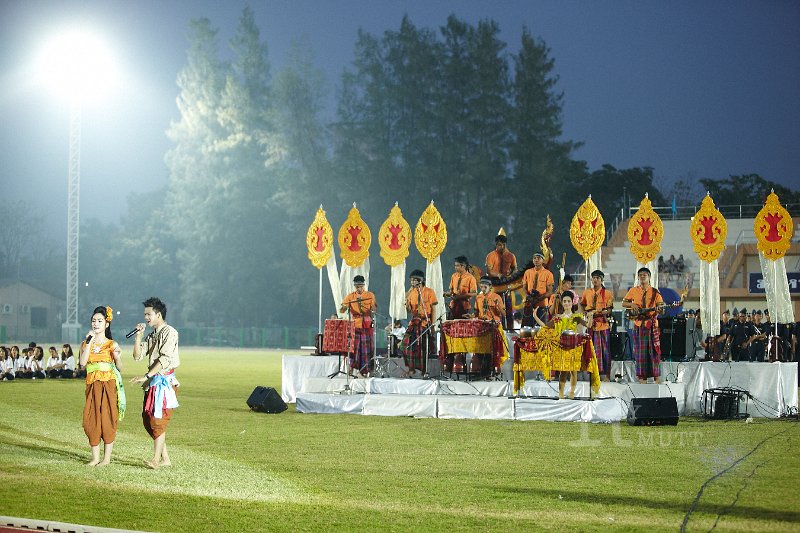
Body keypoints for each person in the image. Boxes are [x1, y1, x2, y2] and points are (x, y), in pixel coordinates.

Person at [130, 297, 180, 469]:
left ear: (158, 314)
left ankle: (156, 460)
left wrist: (146, 375)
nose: (146, 318)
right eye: (145, 314)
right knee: (148, 420)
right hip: (153, 383)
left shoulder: (170, 333)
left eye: (149, 314)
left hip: (164, 383)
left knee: (157, 421)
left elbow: (165, 359)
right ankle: (165, 458)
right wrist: (138, 337)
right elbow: (137, 356)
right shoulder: (152, 336)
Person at [80, 305, 124, 466]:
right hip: (92, 385)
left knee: (108, 418)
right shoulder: (86, 342)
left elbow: (120, 368)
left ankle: (106, 459)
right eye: (93, 321)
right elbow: (83, 363)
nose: (95, 324)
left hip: (108, 385)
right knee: (90, 419)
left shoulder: (112, 344)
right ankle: (95, 458)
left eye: (99, 321)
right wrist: (89, 343)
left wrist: (118, 358)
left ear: (106, 324)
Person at [533, 291, 593, 398]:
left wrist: (591, 317)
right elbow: (546, 326)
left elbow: (588, 325)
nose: (566, 303)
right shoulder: (558, 317)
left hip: (573, 345)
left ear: (572, 303)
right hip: (562, 346)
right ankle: (561, 394)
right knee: (563, 371)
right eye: (564, 301)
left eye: (568, 301)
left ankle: (572, 392)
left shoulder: (576, 316)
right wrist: (535, 316)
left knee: (573, 370)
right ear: (561, 303)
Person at [623, 267, 664, 384]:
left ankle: (656, 378)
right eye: (640, 274)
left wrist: (660, 309)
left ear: (649, 277)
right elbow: (623, 303)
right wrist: (633, 305)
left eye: (645, 274)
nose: (642, 276)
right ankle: (642, 379)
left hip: (652, 325)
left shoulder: (655, 292)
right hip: (639, 324)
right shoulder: (633, 290)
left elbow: (661, 308)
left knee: (654, 352)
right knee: (640, 353)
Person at [339, 275, 377, 377]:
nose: (359, 288)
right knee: (354, 348)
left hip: (367, 323)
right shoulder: (350, 296)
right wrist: (343, 308)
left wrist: (373, 307)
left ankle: (364, 370)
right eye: (357, 286)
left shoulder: (370, 295)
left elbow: (375, 310)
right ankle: (351, 368)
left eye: (360, 286)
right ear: (354, 286)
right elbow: (342, 310)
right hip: (355, 324)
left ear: (364, 285)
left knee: (365, 348)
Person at [580, 270, 614, 380]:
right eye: (593, 278)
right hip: (590, 325)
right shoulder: (587, 292)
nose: (595, 280)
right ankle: (592, 373)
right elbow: (582, 305)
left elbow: (609, 310)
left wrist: (598, 312)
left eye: (598, 278)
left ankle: (605, 375)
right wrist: (585, 313)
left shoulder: (607, 293)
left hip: (602, 325)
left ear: (602, 280)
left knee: (605, 350)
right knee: (590, 349)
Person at [403, 270, 438, 377]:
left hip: (424, 322)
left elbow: (434, 309)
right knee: (405, 344)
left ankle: (423, 371)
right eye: (411, 280)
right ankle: (411, 368)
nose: (412, 282)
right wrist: (406, 302)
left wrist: (433, 324)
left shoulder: (429, 292)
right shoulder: (411, 292)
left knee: (422, 347)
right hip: (414, 322)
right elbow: (409, 310)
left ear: (420, 280)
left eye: (414, 280)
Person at [521, 252, 554, 327]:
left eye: (538, 258)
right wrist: (527, 296)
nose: (536, 260)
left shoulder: (548, 274)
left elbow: (549, 292)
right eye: (534, 258)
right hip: (529, 305)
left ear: (543, 260)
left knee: (541, 329)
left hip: (542, 306)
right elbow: (524, 287)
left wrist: (539, 298)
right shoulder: (527, 272)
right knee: (527, 329)